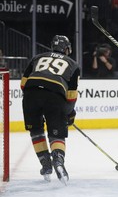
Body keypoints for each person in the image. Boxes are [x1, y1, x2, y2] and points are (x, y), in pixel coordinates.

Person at [20, 35, 80, 185]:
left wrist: (37, 98)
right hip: (55, 96)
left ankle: (45, 164)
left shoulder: (37, 58)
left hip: (30, 94)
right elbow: (71, 96)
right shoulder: (73, 64)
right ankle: (58, 161)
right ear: (66, 49)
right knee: (56, 134)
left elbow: (23, 84)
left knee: (36, 131)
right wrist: (68, 113)